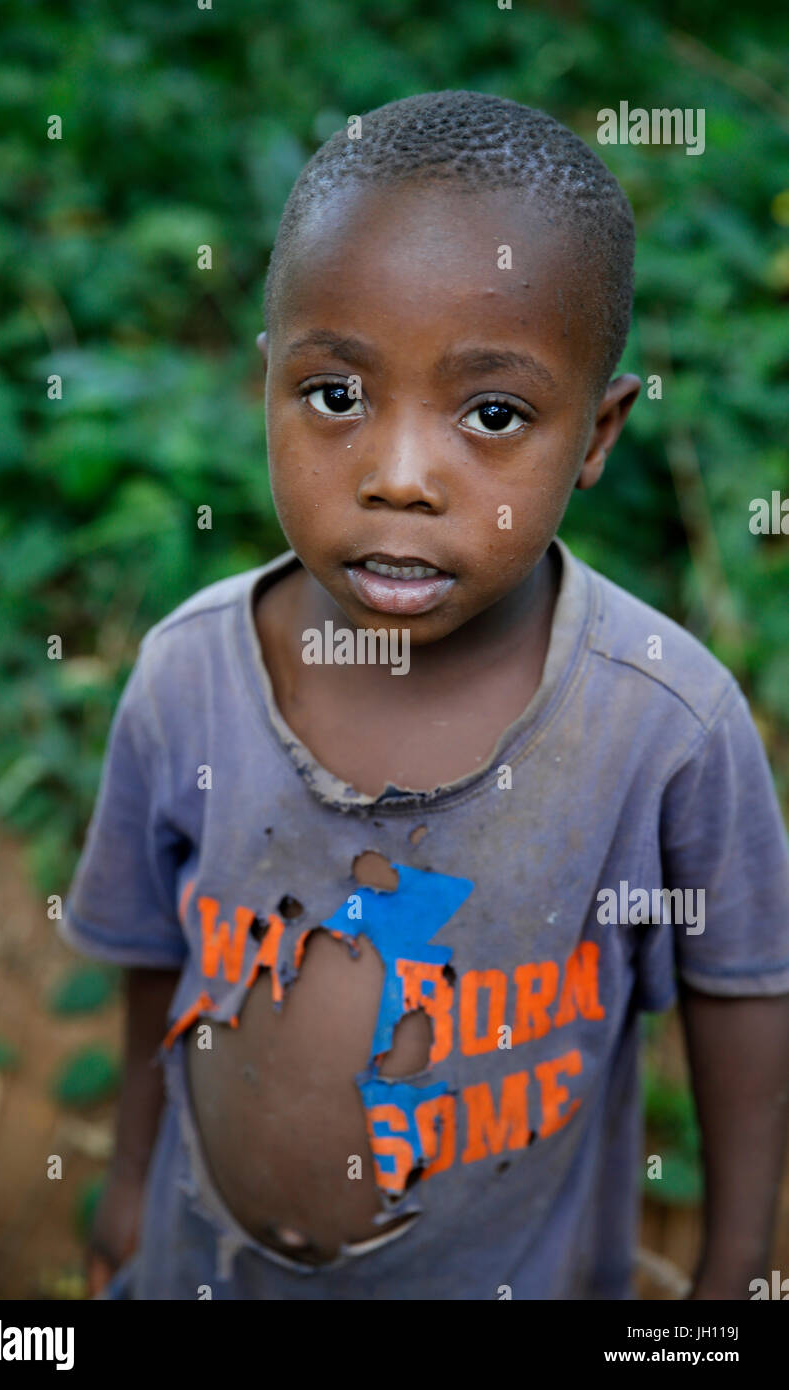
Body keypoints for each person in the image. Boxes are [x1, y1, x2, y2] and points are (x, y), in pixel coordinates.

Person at [59, 90, 789, 1300]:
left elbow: (740, 996)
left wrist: (734, 1270)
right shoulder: (187, 675)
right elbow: (155, 960)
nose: (396, 476)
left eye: (491, 414)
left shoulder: (662, 727)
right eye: (335, 396)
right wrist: (130, 1176)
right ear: (266, 389)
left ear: (595, 434)